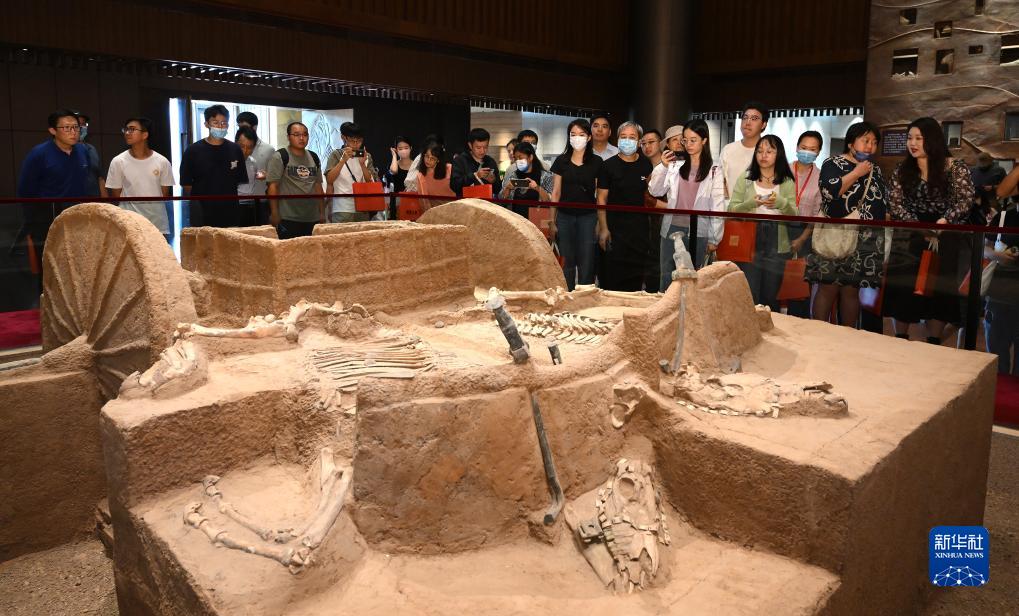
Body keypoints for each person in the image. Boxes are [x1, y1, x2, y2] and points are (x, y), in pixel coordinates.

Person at [884, 117, 974, 343]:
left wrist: (943, 222)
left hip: (945, 234)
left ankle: (933, 342)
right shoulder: (902, 169)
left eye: (919, 138)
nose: (912, 143)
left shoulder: (954, 167)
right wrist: (917, 226)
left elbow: (965, 201)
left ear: (932, 140)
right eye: (909, 138)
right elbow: (894, 204)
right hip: (909, 233)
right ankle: (900, 339)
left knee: (938, 289)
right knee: (904, 288)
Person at [805, 121, 889, 327]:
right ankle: (817, 334)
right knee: (828, 288)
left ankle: (847, 337)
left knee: (852, 291)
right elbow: (830, 192)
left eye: (874, 142)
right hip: (837, 234)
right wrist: (857, 173)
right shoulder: (833, 163)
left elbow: (882, 202)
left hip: (864, 240)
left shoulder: (876, 170)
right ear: (851, 143)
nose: (870, 146)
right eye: (865, 140)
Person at [16, 109, 90, 289]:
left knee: (77, 265)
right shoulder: (39, 154)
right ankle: (48, 300)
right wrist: (34, 219)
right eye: (67, 128)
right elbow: (25, 190)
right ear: (52, 130)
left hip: (76, 216)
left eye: (76, 127)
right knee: (49, 265)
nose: (73, 132)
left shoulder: (83, 151)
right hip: (46, 218)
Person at [648, 119, 724, 287]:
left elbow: (718, 205)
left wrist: (714, 238)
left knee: (694, 281)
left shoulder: (714, 169)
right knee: (667, 278)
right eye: (685, 140)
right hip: (671, 227)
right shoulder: (675, 165)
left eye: (693, 140)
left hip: (698, 231)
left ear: (704, 140)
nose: (688, 144)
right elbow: (655, 191)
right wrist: (663, 166)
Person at [726, 134, 797, 311]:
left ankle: (769, 326)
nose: (763, 155)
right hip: (750, 235)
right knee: (750, 292)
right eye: (759, 151)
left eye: (769, 151)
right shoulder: (746, 178)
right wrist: (751, 204)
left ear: (778, 154)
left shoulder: (786, 181)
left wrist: (780, 203)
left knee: (771, 295)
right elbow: (732, 210)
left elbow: (795, 215)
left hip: (777, 239)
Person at [596, 121, 654, 291]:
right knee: (612, 275)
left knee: (635, 276)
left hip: (639, 229)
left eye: (632, 137)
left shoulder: (646, 165)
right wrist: (603, 228)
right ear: (617, 139)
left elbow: (651, 195)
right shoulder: (607, 166)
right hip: (614, 227)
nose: (627, 140)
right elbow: (601, 199)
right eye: (623, 137)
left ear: (639, 141)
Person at [550, 119, 602, 290]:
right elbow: (556, 192)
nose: (577, 138)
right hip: (564, 217)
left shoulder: (597, 162)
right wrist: (552, 221)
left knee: (587, 260)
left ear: (588, 137)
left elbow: (599, 194)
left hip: (588, 217)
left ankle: (585, 295)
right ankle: (567, 294)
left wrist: (600, 222)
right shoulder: (561, 161)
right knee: (566, 259)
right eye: (573, 134)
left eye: (581, 134)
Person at [105, 117, 175, 242]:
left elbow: (164, 195)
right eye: (126, 129)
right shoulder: (118, 161)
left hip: (157, 223)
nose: (127, 133)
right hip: (129, 222)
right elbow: (116, 196)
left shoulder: (162, 161)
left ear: (145, 135)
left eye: (132, 129)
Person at [179, 104, 248, 227]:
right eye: (215, 122)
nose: (220, 126)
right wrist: (197, 204)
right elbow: (186, 184)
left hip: (230, 211)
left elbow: (239, 179)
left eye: (224, 123)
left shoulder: (235, 149)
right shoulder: (193, 150)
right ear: (207, 124)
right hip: (202, 212)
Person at [786, 130, 824, 318]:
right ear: (796, 147)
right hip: (780, 229)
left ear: (818, 152)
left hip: (806, 234)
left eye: (812, 149)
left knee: (799, 288)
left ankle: (798, 325)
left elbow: (817, 213)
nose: (807, 152)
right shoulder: (783, 170)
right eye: (804, 147)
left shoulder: (820, 177)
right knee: (775, 282)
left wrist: (802, 239)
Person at [985, 166, 1019, 372]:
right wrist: (998, 256)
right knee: (996, 360)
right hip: (1000, 294)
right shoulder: (1004, 217)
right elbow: (985, 248)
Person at [266, 121, 325, 239]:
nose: (301, 138)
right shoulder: (280, 156)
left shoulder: (314, 157)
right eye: (297, 134)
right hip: (288, 216)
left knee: (311, 248)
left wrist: (322, 213)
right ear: (288, 137)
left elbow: (318, 186)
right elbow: (273, 186)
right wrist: (274, 213)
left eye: (305, 134)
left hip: (312, 216)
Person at [325, 121, 378, 223]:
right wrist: (342, 161)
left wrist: (362, 164)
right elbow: (330, 180)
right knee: (342, 232)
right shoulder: (336, 154)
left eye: (359, 141)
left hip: (363, 206)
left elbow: (370, 182)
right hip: (342, 207)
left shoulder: (366, 156)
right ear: (343, 138)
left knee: (362, 233)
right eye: (352, 140)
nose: (356, 144)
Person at [720, 102, 768, 204]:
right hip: (731, 209)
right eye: (745, 118)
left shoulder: (769, 152)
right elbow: (720, 181)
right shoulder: (728, 149)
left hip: (759, 210)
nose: (748, 122)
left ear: (763, 124)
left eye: (754, 119)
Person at [235, 112, 275, 225]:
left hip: (259, 201)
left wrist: (266, 175)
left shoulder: (268, 150)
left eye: (249, 147)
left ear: (254, 127)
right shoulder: (231, 152)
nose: (245, 150)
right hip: (236, 203)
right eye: (239, 127)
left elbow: (273, 176)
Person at [499, 141, 553, 218]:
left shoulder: (545, 176)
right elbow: (502, 201)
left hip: (536, 219)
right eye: (516, 158)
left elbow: (550, 202)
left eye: (520, 158)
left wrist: (537, 188)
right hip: (517, 219)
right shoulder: (514, 175)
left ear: (530, 157)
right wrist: (507, 188)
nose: (518, 161)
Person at [640, 129, 665, 292]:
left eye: (651, 142)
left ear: (661, 143)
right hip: (646, 221)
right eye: (643, 143)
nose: (647, 147)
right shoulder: (642, 166)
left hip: (665, 220)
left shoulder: (669, 165)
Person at [450, 127, 502, 197]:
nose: (482, 151)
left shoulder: (490, 161)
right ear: (470, 145)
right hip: (466, 202)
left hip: (486, 202)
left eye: (485, 147)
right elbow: (454, 186)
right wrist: (475, 175)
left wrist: (493, 181)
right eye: (478, 148)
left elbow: (498, 189)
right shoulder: (460, 161)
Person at [408, 140, 455, 211]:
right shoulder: (420, 176)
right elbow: (424, 203)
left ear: (438, 160)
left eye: (432, 158)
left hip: (454, 209)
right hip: (434, 213)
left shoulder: (449, 169)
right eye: (426, 156)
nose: (428, 160)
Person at [75, 112, 108, 199]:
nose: (81, 128)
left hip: (93, 202)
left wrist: (106, 203)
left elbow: (100, 178)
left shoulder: (92, 149)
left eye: (84, 124)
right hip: (71, 203)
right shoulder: (63, 150)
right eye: (77, 125)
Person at [970, 152, 1007, 223]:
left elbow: (1006, 185)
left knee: (995, 222)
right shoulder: (973, 170)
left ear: (991, 161)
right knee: (977, 223)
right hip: (976, 202)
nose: (983, 166)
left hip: (993, 201)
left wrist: (993, 187)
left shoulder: (999, 170)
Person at [383, 136, 414, 219]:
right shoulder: (394, 164)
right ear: (396, 150)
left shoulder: (416, 165)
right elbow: (394, 170)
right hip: (397, 203)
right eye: (400, 148)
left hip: (412, 201)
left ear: (411, 148)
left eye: (406, 148)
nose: (403, 150)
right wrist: (394, 155)